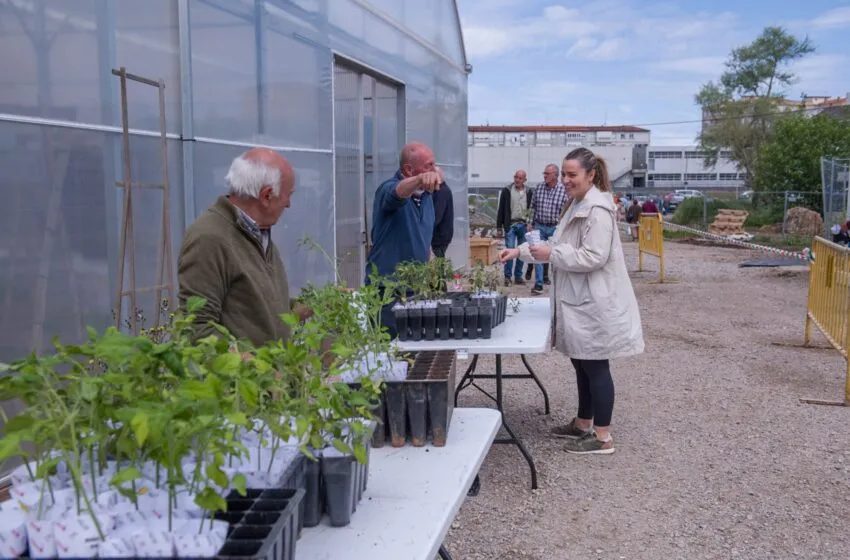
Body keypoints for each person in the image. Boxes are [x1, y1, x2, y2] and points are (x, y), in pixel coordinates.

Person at [499, 147, 644, 455]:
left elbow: (593, 257)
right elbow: (555, 243)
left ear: (590, 175)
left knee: (595, 364)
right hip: (580, 298)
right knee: (581, 362)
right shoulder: (577, 204)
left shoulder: (598, 210)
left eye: (571, 174)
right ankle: (582, 423)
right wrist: (518, 252)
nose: (565, 180)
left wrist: (553, 254)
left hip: (595, 301)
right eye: (563, 174)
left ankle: (602, 437)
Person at [178, 147, 309, 346]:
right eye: (287, 195)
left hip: (273, 373)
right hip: (243, 377)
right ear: (266, 196)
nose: (289, 204)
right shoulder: (209, 238)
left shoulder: (258, 232)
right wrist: (254, 365)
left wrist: (316, 305)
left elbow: (259, 307)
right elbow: (197, 329)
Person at [365, 142, 442, 337]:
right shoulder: (387, 189)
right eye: (428, 166)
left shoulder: (426, 197)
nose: (433, 171)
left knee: (415, 354)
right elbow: (398, 192)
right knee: (387, 354)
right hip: (387, 292)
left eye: (434, 165)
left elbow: (423, 240)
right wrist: (419, 179)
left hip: (417, 289)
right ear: (408, 169)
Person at [529, 164, 569, 294]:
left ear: (555, 176)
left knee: (556, 256)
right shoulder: (539, 188)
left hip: (555, 228)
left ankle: (558, 285)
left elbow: (567, 211)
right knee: (537, 254)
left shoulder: (563, 190)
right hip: (539, 226)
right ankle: (538, 284)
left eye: (547, 174)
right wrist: (530, 222)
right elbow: (532, 207)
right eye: (544, 173)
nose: (544, 176)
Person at [497, 169, 533, 286]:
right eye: (516, 177)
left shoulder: (529, 192)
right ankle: (507, 277)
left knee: (522, 252)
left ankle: (518, 276)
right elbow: (501, 209)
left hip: (523, 225)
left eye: (520, 178)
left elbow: (532, 209)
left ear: (524, 180)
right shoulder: (507, 191)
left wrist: (530, 223)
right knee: (510, 250)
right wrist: (499, 227)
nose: (517, 180)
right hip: (510, 225)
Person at [431, 178, 454, 258]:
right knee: (439, 261)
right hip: (443, 235)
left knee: (438, 262)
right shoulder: (444, 190)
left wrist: (425, 231)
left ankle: (440, 270)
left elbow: (436, 217)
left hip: (439, 237)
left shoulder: (441, 192)